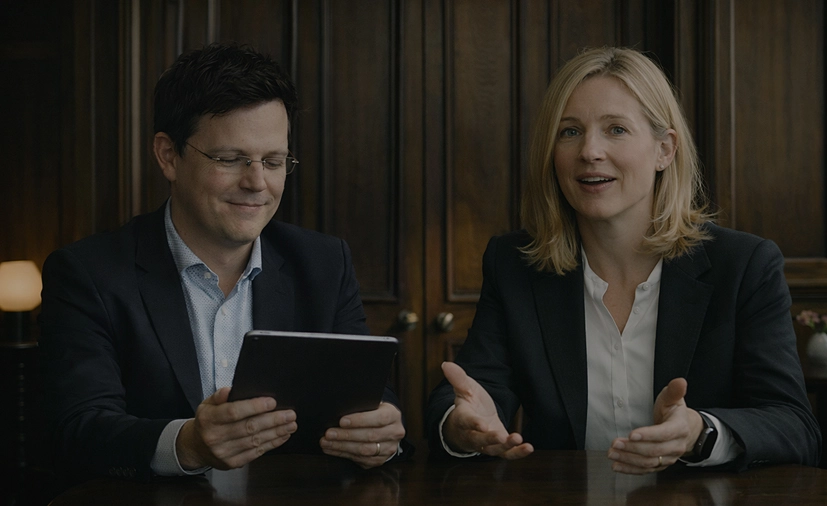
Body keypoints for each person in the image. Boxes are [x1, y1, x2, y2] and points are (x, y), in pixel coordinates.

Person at [425, 46, 820, 473]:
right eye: (569, 131)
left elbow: (793, 425)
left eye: (616, 129)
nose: (590, 151)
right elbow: (470, 394)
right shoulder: (514, 265)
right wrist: (460, 425)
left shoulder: (744, 265)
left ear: (664, 150)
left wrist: (699, 433)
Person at [39, 43, 406, 484]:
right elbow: (79, 430)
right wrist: (188, 445)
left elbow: (368, 398)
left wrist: (380, 432)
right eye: (231, 160)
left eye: (273, 161)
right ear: (168, 155)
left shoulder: (324, 264)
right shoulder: (88, 274)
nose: (257, 183)